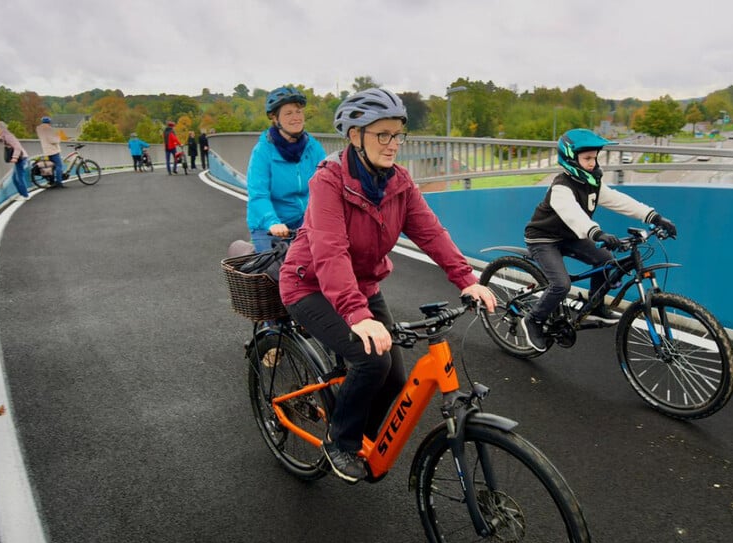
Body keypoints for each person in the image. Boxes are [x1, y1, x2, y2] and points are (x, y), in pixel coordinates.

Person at [278, 88, 496, 483]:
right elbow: (330, 251)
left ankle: (359, 432)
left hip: (362, 286)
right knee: (371, 361)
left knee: (394, 376)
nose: (393, 144)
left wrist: (467, 279)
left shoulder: (399, 182)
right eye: (382, 134)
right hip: (309, 286)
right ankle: (340, 442)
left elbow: (430, 233)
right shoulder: (328, 181)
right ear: (354, 136)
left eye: (398, 135)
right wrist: (357, 315)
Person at [520, 128, 678, 352]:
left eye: (594, 157)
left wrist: (654, 217)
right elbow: (573, 215)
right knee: (561, 284)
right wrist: (597, 233)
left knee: (606, 261)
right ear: (570, 159)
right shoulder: (561, 187)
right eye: (587, 158)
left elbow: (618, 200)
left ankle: (594, 307)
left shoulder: (592, 183)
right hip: (543, 239)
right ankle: (533, 320)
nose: (592, 163)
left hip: (570, 236)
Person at [246, 86, 326, 252]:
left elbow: (327, 184)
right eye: (288, 113)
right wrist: (272, 222)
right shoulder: (263, 151)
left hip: (304, 221)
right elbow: (258, 194)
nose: (296, 117)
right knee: (273, 265)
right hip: (269, 224)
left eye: (298, 111)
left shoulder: (313, 148)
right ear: (275, 119)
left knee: (324, 259)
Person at [0, 121, 29, 199]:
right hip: (20, 158)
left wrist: (14, 157)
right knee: (14, 178)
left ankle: (25, 195)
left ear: (0, 128)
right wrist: (0, 138)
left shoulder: (8, 136)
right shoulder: (5, 135)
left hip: (20, 158)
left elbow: (17, 147)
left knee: (19, 177)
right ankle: (22, 194)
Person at [35, 116, 64, 187]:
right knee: (59, 166)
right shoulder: (48, 129)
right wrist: (58, 138)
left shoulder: (39, 129)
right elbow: (53, 140)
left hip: (46, 150)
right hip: (53, 150)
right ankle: (59, 182)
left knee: (51, 166)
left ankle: (51, 181)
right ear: (49, 122)